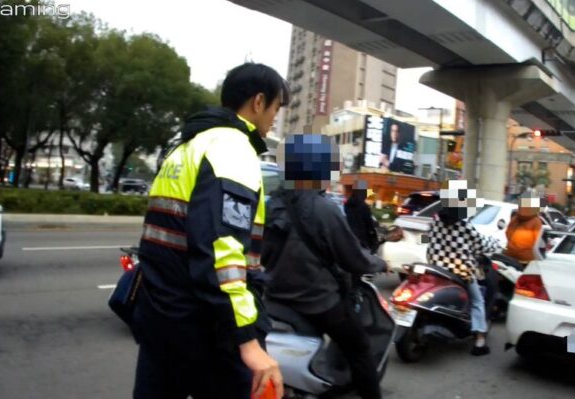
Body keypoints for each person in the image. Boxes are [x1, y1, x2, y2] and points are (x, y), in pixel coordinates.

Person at [132, 63, 288, 399]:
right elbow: (223, 254)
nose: (275, 118)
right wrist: (246, 341)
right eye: (276, 108)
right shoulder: (232, 149)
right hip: (203, 328)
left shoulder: (186, 147)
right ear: (258, 103)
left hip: (159, 317)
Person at [262, 133, 388, 399]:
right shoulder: (323, 208)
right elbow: (353, 258)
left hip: (274, 296)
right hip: (316, 301)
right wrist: (379, 263)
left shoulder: (273, 203)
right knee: (360, 347)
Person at [426, 179, 501, 356]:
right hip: (459, 271)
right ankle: (480, 342)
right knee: (478, 301)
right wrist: (497, 244)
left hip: (435, 267)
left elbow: (427, 239)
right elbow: (481, 245)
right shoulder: (464, 226)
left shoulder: (435, 221)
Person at [504, 191, 544, 264]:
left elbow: (507, 233)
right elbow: (535, 247)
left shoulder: (515, 219)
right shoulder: (536, 222)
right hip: (526, 260)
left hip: (509, 257)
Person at [345, 180, 379, 253]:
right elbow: (369, 224)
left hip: (347, 238)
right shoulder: (364, 207)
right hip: (361, 241)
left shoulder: (347, 205)